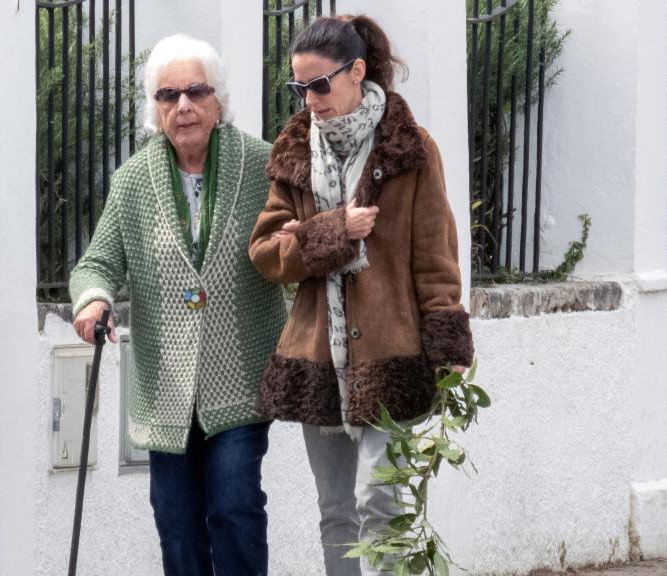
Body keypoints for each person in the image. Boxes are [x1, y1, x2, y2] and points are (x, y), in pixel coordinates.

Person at [248, 15, 475, 576]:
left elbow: (436, 256)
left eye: (319, 85)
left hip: (391, 354)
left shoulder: (410, 148)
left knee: (382, 501)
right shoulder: (294, 149)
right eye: (299, 89)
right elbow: (266, 251)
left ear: (357, 71)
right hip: (317, 359)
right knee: (336, 510)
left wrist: (447, 349)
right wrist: (334, 232)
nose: (310, 101)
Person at [69, 33, 285, 576]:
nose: (183, 105)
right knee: (174, 516)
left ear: (217, 100)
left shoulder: (262, 166)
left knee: (234, 506)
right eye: (168, 95)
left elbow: (292, 250)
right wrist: (92, 302)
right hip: (164, 391)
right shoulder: (133, 182)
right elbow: (96, 265)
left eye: (195, 91)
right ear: (155, 107)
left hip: (240, 377)